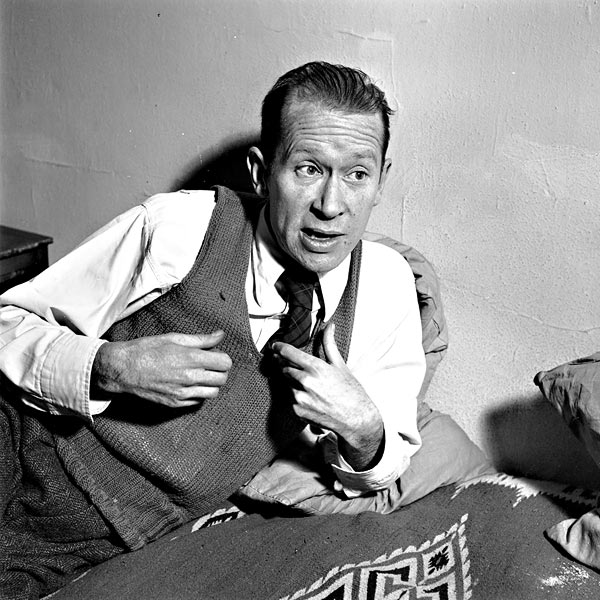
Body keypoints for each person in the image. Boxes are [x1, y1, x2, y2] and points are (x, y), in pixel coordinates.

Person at [0, 61, 426, 599]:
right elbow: (8, 320)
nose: (331, 206)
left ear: (382, 179)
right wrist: (108, 366)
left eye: (357, 175)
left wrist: (362, 426)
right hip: (21, 438)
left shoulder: (386, 285)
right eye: (308, 169)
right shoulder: (180, 226)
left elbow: (383, 460)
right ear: (261, 172)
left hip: (96, 533)